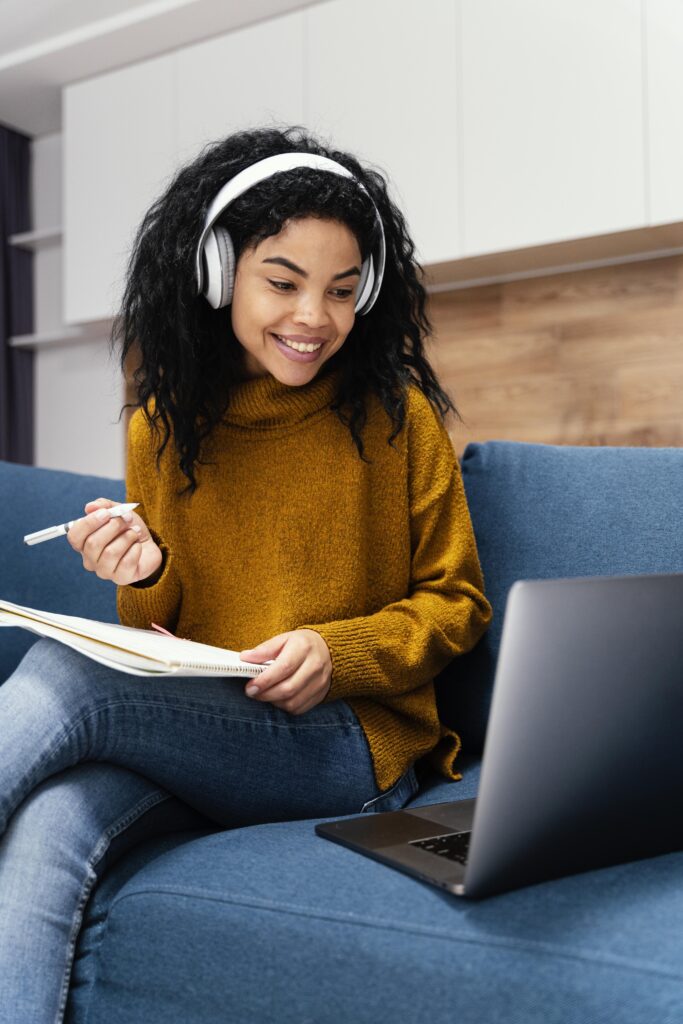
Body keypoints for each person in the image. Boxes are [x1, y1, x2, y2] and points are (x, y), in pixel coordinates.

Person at [0, 125, 492, 1022]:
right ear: (221, 275)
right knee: (48, 821)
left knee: (67, 678)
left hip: (344, 746)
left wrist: (333, 650)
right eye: (282, 282)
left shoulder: (396, 417)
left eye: (343, 291)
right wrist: (143, 573)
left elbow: (455, 604)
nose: (314, 317)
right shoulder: (163, 424)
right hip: (209, 734)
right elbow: (162, 626)